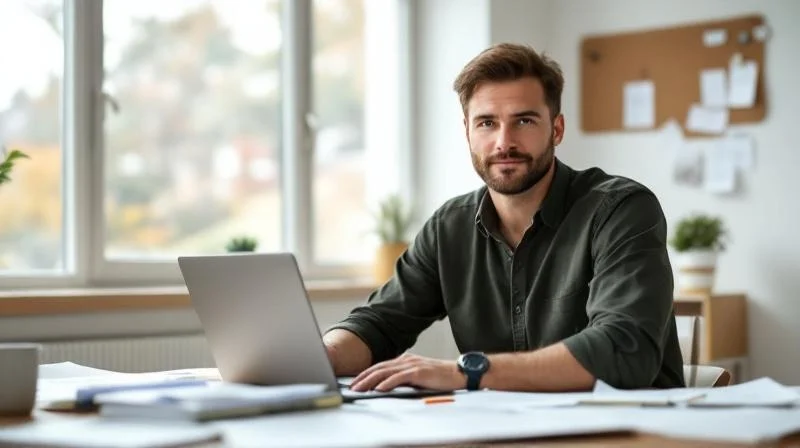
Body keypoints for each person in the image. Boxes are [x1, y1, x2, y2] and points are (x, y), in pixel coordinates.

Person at [322, 42, 685, 393]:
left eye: (524, 121)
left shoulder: (621, 210)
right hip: (504, 431)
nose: (503, 142)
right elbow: (380, 322)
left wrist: (468, 372)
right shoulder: (449, 227)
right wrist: (327, 355)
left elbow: (624, 350)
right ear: (466, 131)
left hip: (631, 431)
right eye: (486, 123)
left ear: (556, 129)